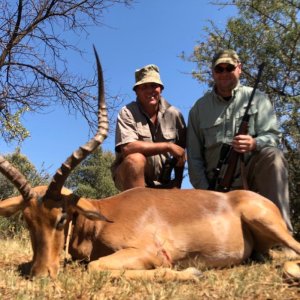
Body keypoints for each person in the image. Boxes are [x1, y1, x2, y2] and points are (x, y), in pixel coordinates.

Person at [187, 49, 293, 232]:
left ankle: (281, 234)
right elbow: (194, 158)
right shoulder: (198, 109)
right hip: (216, 188)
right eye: (219, 69)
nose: (224, 73)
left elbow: (274, 137)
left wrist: (254, 143)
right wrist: (207, 193)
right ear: (212, 72)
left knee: (273, 157)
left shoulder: (258, 98)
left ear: (239, 68)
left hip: (251, 178)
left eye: (229, 68)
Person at [112, 64, 186, 191]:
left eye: (154, 85)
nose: (149, 90)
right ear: (136, 91)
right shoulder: (127, 112)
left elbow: (181, 153)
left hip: (163, 181)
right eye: (144, 87)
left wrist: (177, 183)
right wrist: (168, 146)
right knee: (135, 159)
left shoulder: (175, 114)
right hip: (128, 176)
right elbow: (128, 148)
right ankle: (137, 206)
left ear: (161, 89)